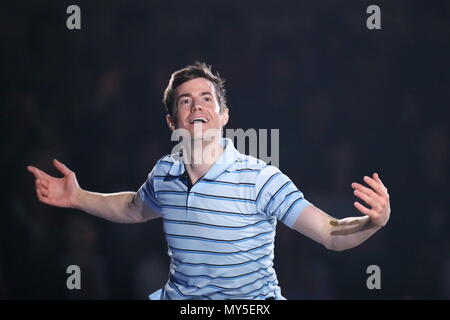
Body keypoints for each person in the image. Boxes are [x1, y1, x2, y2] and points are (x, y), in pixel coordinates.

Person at [27, 62, 391, 300]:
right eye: (185, 101)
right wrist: (77, 197)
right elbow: (133, 208)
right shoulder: (164, 173)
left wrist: (373, 222)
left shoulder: (260, 178)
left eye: (205, 99)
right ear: (173, 122)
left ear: (224, 115)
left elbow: (330, 233)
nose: (196, 106)